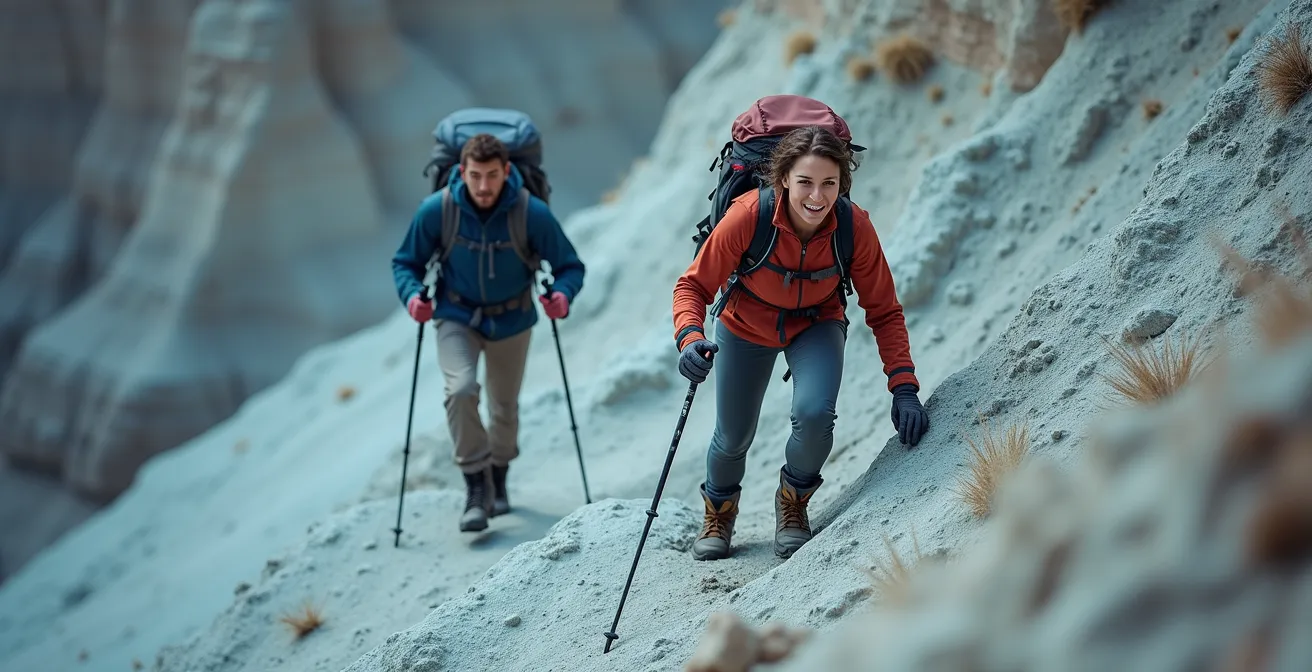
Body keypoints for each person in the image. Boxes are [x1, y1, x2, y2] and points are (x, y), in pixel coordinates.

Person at [671, 125, 929, 560]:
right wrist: (690, 339)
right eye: (805, 181)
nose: (817, 196)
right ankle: (719, 512)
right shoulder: (747, 216)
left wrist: (904, 386)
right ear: (783, 177)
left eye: (829, 183)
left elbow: (884, 310)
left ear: (842, 184)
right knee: (733, 436)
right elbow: (692, 286)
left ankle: (793, 503)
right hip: (744, 324)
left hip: (817, 322)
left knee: (814, 415)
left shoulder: (854, 227)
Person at [391, 133, 586, 533]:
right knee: (460, 390)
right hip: (454, 316)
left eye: (492, 175)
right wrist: (413, 298)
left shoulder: (531, 214)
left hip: (513, 320)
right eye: (475, 175)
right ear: (461, 172)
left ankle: (499, 478)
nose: (483, 186)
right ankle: (476, 487)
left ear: (507, 172)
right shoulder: (438, 210)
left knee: (504, 408)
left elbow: (570, 266)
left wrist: (562, 297)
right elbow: (405, 263)